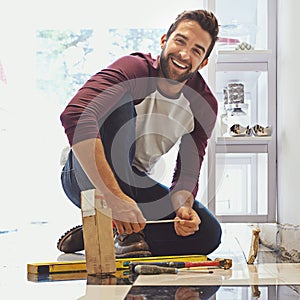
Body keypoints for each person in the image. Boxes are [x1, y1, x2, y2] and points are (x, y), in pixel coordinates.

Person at [58, 9, 222, 258]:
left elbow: (187, 171)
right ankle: (114, 224)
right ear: (164, 41)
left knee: (207, 233)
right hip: (82, 176)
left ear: (204, 62)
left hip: (134, 185)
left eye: (197, 50)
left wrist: (183, 208)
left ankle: (109, 230)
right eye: (180, 41)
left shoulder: (203, 104)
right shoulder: (133, 68)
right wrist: (114, 199)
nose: (184, 54)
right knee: (116, 99)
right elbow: (76, 114)